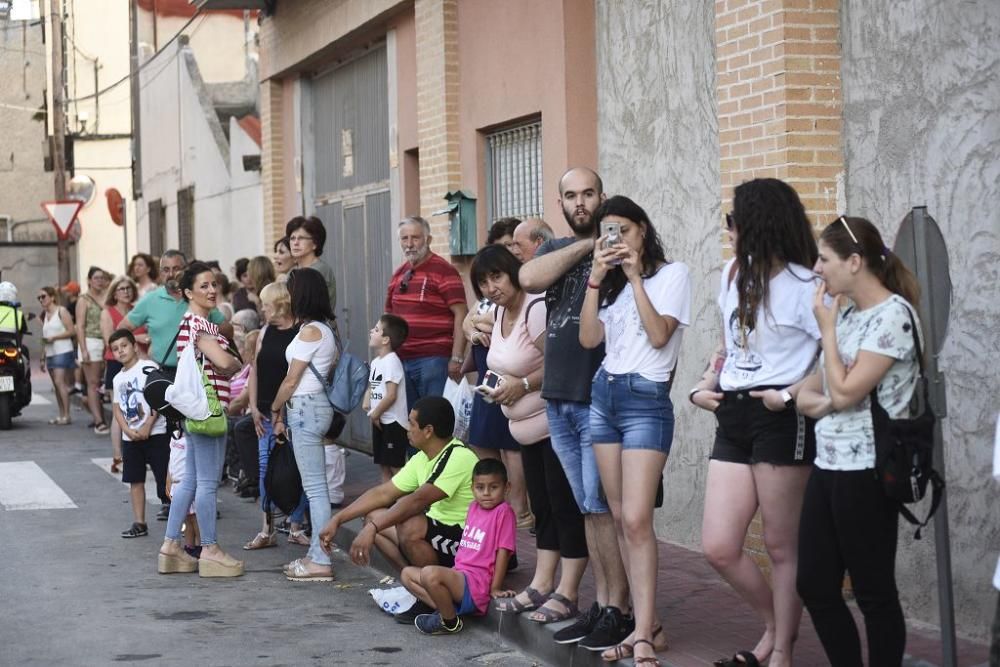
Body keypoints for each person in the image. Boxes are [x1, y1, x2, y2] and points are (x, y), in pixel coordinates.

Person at [689, 178, 820, 667]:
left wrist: (786, 396)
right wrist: (708, 382)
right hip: (733, 411)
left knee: (783, 546)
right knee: (719, 545)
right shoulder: (730, 275)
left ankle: (781, 649)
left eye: (733, 222)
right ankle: (774, 625)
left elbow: (834, 357)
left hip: (779, 418)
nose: (728, 231)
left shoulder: (807, 286)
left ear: (756, 225)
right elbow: (728, 345)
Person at [794, 216, 923, 667]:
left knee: (872, 591)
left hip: (868, 469)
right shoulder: (847, 310)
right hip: (828, 463)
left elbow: (846, 391)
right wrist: (829, 399)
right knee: (812, 582)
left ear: (854, 261)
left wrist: (827, 336)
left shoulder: (894, 317)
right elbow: (808, 391)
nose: (816, 268)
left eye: (824, 259)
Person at [519, 167, 632, 650]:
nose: (581, 202)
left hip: (598, 398)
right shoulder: (559, 249)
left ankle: (620, 610)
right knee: (588, 509)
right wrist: (588, 247)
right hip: (559, 398)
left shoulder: (625, 245)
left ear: (602, 196)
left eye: (588, 194)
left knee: (604, 509)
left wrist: (608, 245)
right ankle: (603, 605)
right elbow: (528, 277)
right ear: (561, 203)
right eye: (571, 196)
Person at [579, 196, 691, 664]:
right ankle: (650, 625)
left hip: (646, 399)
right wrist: (596, 278)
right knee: (620, 514)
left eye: (622, 230)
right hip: (604, 395)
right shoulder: (610, 285)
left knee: (637, 520)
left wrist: (634, 277)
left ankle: (642, 633)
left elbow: (660, 334)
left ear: (643, 230)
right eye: (607, 232)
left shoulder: (672, 275)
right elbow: (588, 338)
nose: (615, 240)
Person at [471, 244, 589, 626]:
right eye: (484, 282)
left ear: (514, 273)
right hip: (525, 434)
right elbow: (469, 319)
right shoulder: (499, 310)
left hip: (553, 427)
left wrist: (521, 384)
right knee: (542, 509)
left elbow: (556, 362)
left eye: (497, 277)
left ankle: (567, 591)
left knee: (562, 507)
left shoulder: (534, 309)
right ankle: (542, 583)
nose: (491, 287)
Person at [318, 396, 479, 615]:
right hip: (440, 537)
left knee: (409, 524)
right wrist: (338, 519)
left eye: (412, 423)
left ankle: (432, 593)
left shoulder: (458, 456)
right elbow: (383, 493)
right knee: (374, 515)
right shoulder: (423, 457)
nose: (407, 428)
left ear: (428, 430)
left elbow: (417, 501)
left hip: (465, 544)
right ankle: (419, 588)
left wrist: (371, 530)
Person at [157, 262, 244, 578]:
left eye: (213, 284)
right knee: (206, 482)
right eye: (203, 286)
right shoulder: (199, 325)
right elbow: (224, 362)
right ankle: (210, 549)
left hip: (195, 411)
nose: (211, 290)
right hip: (209, 411)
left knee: (191, 480)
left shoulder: (191, 323)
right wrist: (235, 361)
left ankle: (170, 546)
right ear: (188, 292)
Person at [268, 267, 338, 581]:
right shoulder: (314, 328)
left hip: (306, 408)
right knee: (314, 488)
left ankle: (320, 560)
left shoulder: (313, 332)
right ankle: (314, 555)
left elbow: (291, 379)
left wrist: (275, 406)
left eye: (291, 289)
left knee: (315, 489)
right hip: (308, 408)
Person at [463, 223, 531, 526]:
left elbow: (505, 325)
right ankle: (497, 506)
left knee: (510, 445)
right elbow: (468, 321)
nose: (508, 249)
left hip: (510, 381)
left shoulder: (523, 294)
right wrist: (474, 327)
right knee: (482, 440)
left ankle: (521, 511)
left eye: (512, 245)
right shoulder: (487, 296)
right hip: (486, 379)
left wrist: (481, 325)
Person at [401, 458, 517, 635]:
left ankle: (449, 622)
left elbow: (504, 552)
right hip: (460, 575)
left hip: (476, 581)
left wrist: (495, 588)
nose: (486, 493)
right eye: (480, 487)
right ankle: (448, 611)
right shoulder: (473, 507)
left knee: (429, 573)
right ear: (472, 488)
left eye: (493, 487)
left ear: (507, 487)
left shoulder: (504, 512)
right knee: (407, 574)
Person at [243, 281, 309, 550]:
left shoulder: (300, 332)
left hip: (292, 410)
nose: (262, 309)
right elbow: (255, 370)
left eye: (266, 304)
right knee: (265, 469)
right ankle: (266, 528)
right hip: (265, 411)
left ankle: (295, 525)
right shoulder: (265, 332)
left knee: (298, 468)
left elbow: (295, 377)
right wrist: (254, 406)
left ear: (280, 304)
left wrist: (279, 412)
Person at [385, 216, 469, 409]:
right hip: (402, 359)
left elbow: (461, 314)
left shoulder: (444, 271)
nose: (409, 244)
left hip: (434, 360)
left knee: (435, 421)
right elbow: (389, 319)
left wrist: (457, 357)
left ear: (428, 240)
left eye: (415, 238)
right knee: (412, 424)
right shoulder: (399, 274)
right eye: (404, 239)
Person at [119, 250, 225, 379]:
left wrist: (207, 327)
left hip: (199, 373)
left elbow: (228, 330)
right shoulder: (150, 299)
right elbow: (121, 330)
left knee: (207, 400)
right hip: (162, 372)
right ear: (160, 272)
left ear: (186, 271)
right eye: (165, 269)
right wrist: (142, 358)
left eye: (176, 268)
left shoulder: (200, 296)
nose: (171, 274)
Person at [109, 329, 170, 539]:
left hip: (156, 434)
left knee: (165, 477)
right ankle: (139, 522)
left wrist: (148, 426)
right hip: (131, 437)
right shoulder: (117, 379)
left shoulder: (148, 368)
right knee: (135, 480)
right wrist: (126, 430)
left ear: (135, 346)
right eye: (115, 349)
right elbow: (117, 407)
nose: (120, 351)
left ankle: (175, 515)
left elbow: (158, 398)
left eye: (124, 346)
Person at [101, 276, 145, 473]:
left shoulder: (139, 309)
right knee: (119, 409)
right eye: (121, 289)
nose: (126, 292)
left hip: (141, 364)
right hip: (116, 363)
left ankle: (141, 452)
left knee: (141, 406)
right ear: (114, 292)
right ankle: (117, 455)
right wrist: (136, 337)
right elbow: (109, 340)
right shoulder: (107, 312)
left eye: (128, 288)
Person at [364, 313, 410, 483]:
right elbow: (373, 385)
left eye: (376, 330)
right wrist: (367, 400)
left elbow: (391, 395)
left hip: (393, 423)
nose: (371, 331)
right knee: (383, 464)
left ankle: (406, 505)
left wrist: (375, 414)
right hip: (379, 420)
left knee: (395, 466)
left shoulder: (392, 361)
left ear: (385, 340)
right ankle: (386, 503)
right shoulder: (377, 361)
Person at [76, 266, 111, 434]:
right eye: (96, 278)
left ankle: (101, 416)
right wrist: (83, 349)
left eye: (102, 278)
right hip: (91, 342)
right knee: (93, 383)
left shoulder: (108, 297)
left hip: (108, 341)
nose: (99, 281)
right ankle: (98, 420)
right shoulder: (83, 299)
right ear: (89, 280)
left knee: (106, 382)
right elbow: (80, 326)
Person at [38, 286, 76, 425]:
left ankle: (67, 415)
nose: (41, 300)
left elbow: (72, 331)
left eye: (43, 296)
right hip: (50, 353)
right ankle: (61, 415)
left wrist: (55, 337)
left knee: (60, 382)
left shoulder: (62, 311)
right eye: (39, 298)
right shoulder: (45, 314)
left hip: (62, 350)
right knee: (56, 385)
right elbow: (45, 337)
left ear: (52, 297)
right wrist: (42, 357)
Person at [286, 216, 337, 310]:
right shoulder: (292, 271)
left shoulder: (320, 270)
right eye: (292, 238)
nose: (295, 243)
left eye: (301, 238)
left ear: (315, 243)